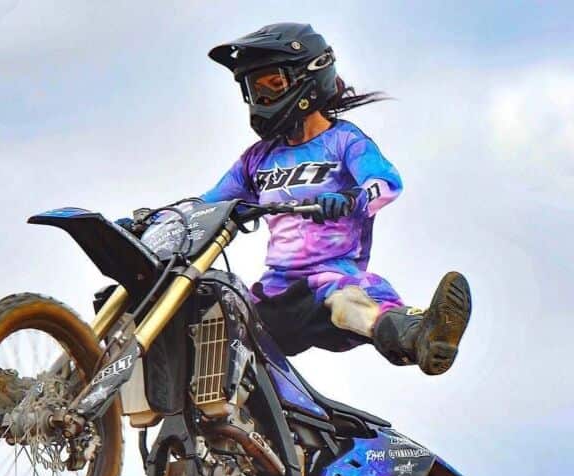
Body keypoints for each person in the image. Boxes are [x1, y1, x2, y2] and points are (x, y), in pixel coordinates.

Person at [198, 22, 472, 374]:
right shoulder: (257, 158)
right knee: (215, 310)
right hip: (275, 289)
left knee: (349, 302)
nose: (261, 101)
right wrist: (154, 223)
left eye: (272, 86)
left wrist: (352, 198)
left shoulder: (344, 141)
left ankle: (421, 335)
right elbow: (208, 203)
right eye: (254, 91)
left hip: (330, 277)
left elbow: (386, 181)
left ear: (309, 79)